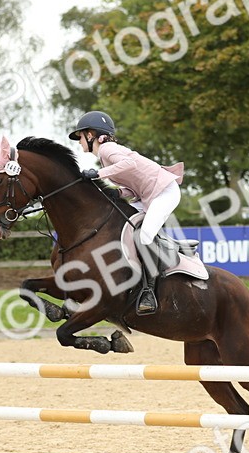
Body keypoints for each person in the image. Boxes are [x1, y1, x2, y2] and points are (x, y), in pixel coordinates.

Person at [68, 110, 183, 315]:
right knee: (120, 226)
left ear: (92, 134)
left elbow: (130, 164)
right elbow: (132, 186)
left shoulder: (107, 149)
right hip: (148, 196)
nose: (79, 141)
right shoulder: (105, 155)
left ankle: (148, 291)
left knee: (145, 235)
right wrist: (116, 192)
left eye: (81, 136)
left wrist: (98, 174)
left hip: (165, 193)